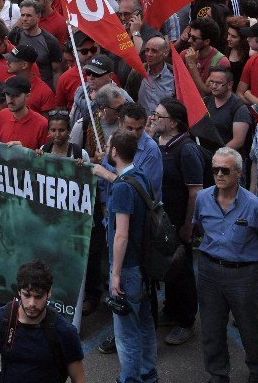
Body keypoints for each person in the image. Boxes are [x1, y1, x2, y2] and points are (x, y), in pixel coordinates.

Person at [194, 147, 258, 383]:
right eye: (215, 169)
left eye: (225, 170)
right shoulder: (202, 198)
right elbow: (199, 226)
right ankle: (218, 374)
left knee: (251, 328)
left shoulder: (253, 205)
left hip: (244, 275)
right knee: (211, 329)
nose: (219, 174)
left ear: (239, 173)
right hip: (209, 271)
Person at [100, 129, 158, 383]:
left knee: (126, 331)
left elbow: (120, 235)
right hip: (144, 264)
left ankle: (131, 378)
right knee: (144, 323)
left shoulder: (123, 188)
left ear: (114, 152)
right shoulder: (140, 176)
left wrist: (115, 275)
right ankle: (148, 373)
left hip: (128, 267)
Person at [0, 258, 85, 383]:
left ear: (49, 293)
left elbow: (78, 377)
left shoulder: (64, 331)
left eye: (38, 296)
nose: (32, 303)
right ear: (19, 292)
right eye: (27, 295)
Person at [151, 98, 204, 346]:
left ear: (173, 122)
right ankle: (171, 309)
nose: (153, 118)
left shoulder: (186, 149)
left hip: (179, 221)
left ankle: (186, 320)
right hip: (162, 222)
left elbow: (195, 191)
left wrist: (188, 225)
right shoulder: (157, 144)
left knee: (182, 270)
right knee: (168, 267)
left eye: (159, 115)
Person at [9, 0, 61, 89]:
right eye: (22, 15)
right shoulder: (15, 36)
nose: (24, 19)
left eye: (28, 15)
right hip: (19, 90)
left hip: (43, 89)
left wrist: (55, 96)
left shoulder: (50, 41)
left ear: (38, 17)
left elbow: (56, 71)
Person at [0, 75, 49, 150]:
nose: (10, 99)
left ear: (27, 96)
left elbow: (45, 157)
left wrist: (23, 151)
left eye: (15, 95)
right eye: (7, 94)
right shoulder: (2, 114)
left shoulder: (42, 124)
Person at [204, 66, 251, 153]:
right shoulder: (205, 101)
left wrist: (218, 155)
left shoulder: (239, 108)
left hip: (225, 158)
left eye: (218, 83)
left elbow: (238, 141)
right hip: (204, 152)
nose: (213, 86)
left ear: (230, 85)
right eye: (211, 82)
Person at [6, 44, 56, 114]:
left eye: (12, 60)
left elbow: (47, 123)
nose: (7, 62)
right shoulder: (8, 82)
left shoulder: (44, 92)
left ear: (24, 65)